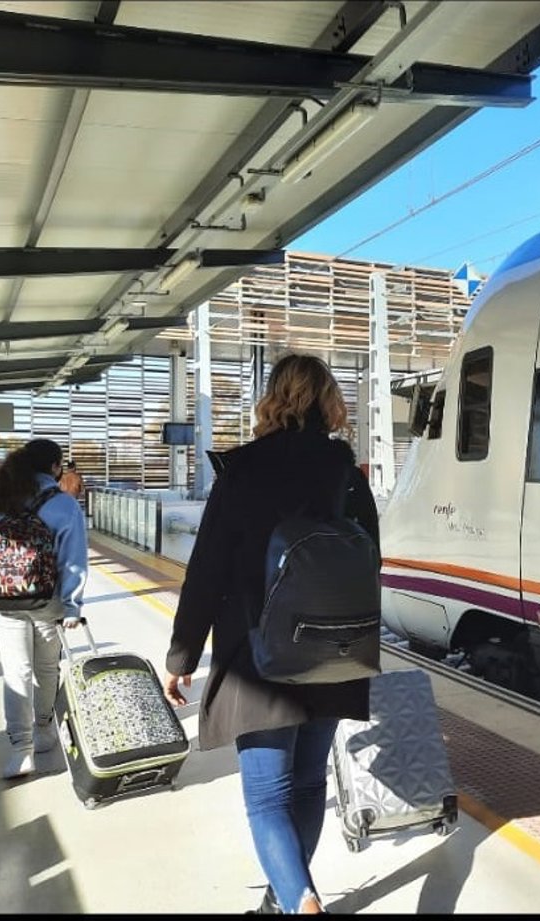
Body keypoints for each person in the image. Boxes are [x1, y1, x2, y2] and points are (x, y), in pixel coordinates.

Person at [163, 353, 380, 915]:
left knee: (266, 796)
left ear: (273, 398)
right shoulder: (345, 471)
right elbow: (371, 560)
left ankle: (301, 903)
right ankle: (282, 902)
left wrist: (182, 657)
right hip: (335, 650)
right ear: (329, 399)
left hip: (259, 654)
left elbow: (206, 570)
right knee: (307, 786)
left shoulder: (244, 470)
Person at [0, 439, 87, 779]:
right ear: (55, 467)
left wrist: (5, 576)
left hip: (4, 599)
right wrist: (72, 606)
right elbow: (74, 562)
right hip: (47, 600)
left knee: (16, 670)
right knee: (46, 668)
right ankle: (43, 729)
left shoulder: (4, 496)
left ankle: (20, 751)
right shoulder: (64, 505)